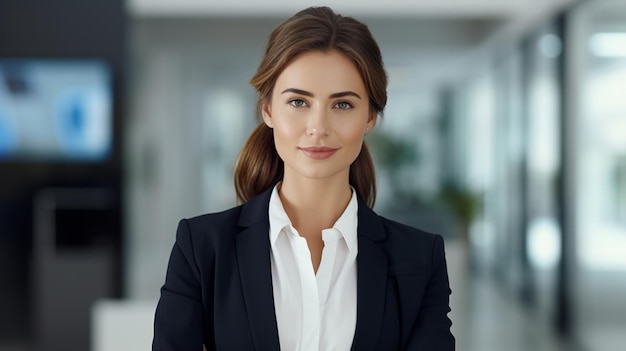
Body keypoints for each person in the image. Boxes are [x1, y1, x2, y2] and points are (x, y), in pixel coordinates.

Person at [153, 6, 454, 351]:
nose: (318, 128)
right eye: (298, 102)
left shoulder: (419, 258)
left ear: (370, 116)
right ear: (268, 110)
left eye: (342, 105)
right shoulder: (202, 249)